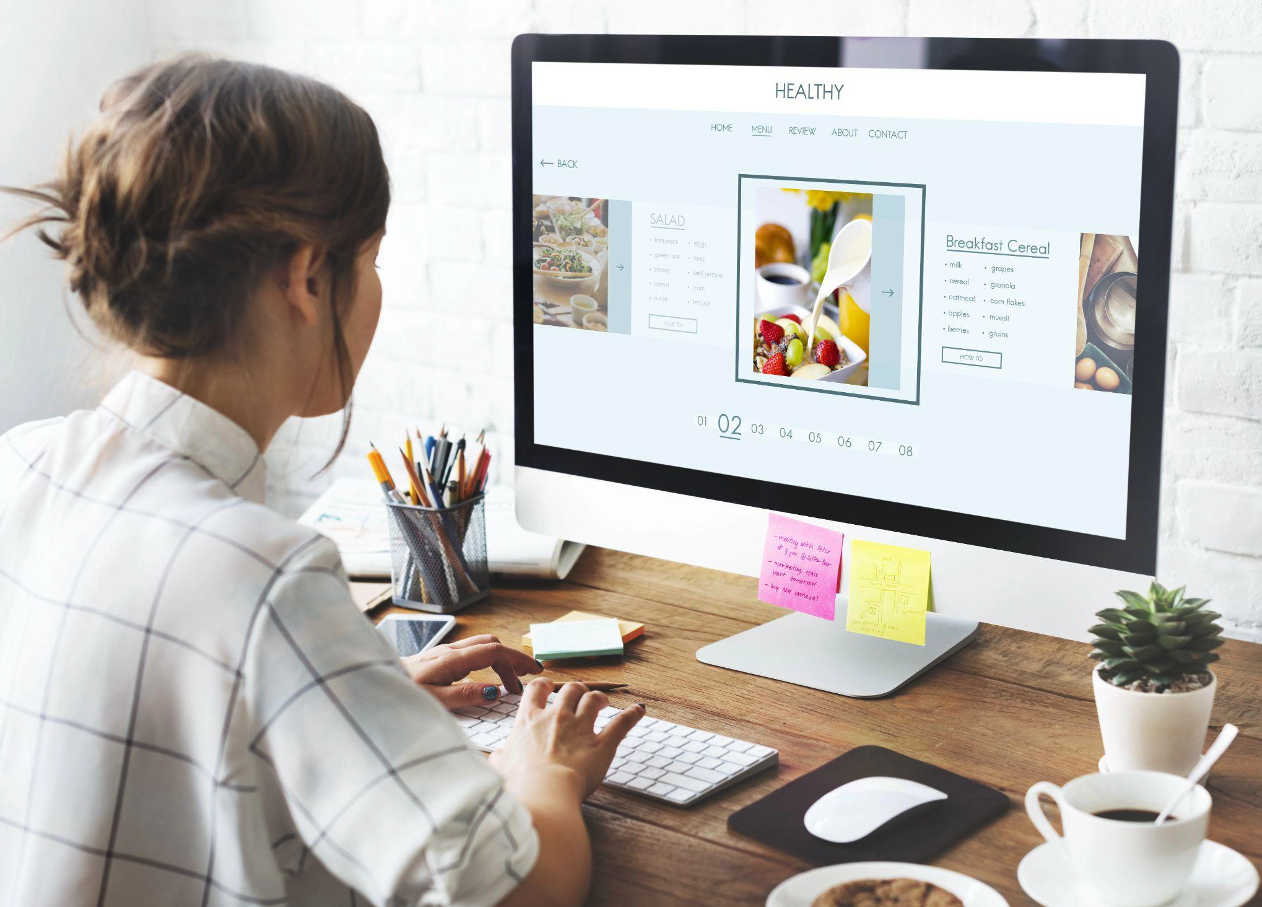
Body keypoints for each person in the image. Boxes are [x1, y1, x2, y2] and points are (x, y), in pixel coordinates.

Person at [0, 54, 642, 907]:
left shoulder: (22, 464)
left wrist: (345, 692)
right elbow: (520, 889)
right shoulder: (264, 576)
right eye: (370, 260)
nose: (373, 290)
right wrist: (543, 769)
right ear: (305, 278)